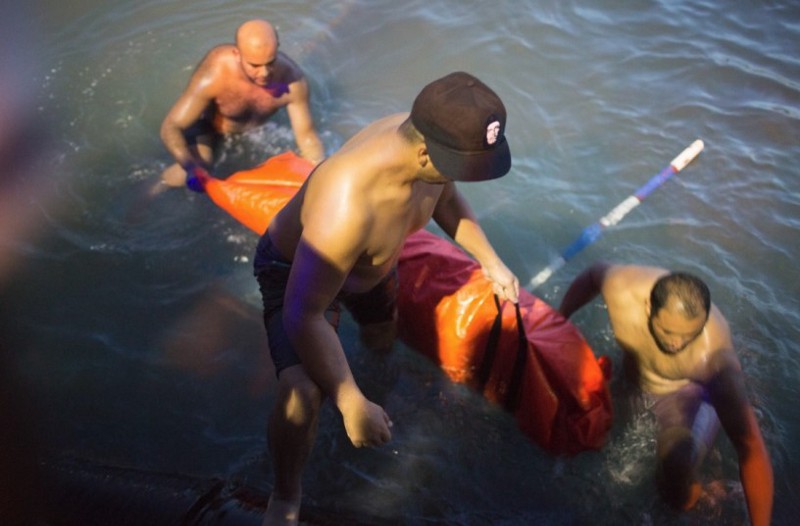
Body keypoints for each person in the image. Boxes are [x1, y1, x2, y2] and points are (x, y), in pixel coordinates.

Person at [253, 71, 520, 525]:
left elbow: (447, 198)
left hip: (372, 267)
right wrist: (349, 400)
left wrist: (491, 261)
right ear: (423, 153)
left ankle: (372, 382)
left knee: (382, 336)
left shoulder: (429, 138)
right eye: (463, 165)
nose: (467, 178)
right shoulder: (349, 202)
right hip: (300, 274)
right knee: (304, 391)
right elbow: (304, 314)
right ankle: (285, 494)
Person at [558, 262, 773, 525]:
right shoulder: (623, 288)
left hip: (685, 397)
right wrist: (559, 319)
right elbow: (592, 276)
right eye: (668, 332)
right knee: (570, 428)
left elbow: (750, 446)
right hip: (631, 381)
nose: (676, 344)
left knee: (675, 472)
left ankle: (700, 489)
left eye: (689, 335)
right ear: (649, 307)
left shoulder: (714, 361)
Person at [159, 19, 324, 189]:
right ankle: (149, 193)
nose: (264, 73)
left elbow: (307, 137)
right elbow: (171, 127)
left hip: (248, 132)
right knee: (200, 165)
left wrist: (318, 175)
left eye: (271, 62)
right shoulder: (216, 74)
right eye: (254, 65)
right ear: (237, 55)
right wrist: (190, 167)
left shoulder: (292, 81)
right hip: (208, 128)